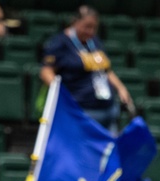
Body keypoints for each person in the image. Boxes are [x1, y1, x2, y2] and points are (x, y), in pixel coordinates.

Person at [40, 5, 132, 133]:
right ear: (75, 22)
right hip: (81, 110)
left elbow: (106, 70)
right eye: (87, 26)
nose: (91, 31)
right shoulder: (60, 42)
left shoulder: (94, 41)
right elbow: (46, 71)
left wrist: (121, 88)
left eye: (94, 27)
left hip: (107, 109)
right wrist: (61, 94)